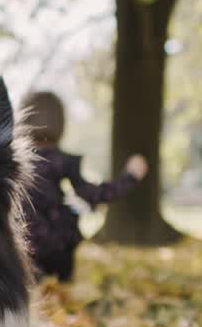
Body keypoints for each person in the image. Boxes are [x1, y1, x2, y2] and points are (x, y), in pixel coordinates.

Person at [20, 90, 148, 282]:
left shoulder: (13, 162)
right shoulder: (64, 162)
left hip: (23, 246)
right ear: (60, 124)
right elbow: (94, 194)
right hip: (59, 248)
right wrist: (130, 177)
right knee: (59, 289)